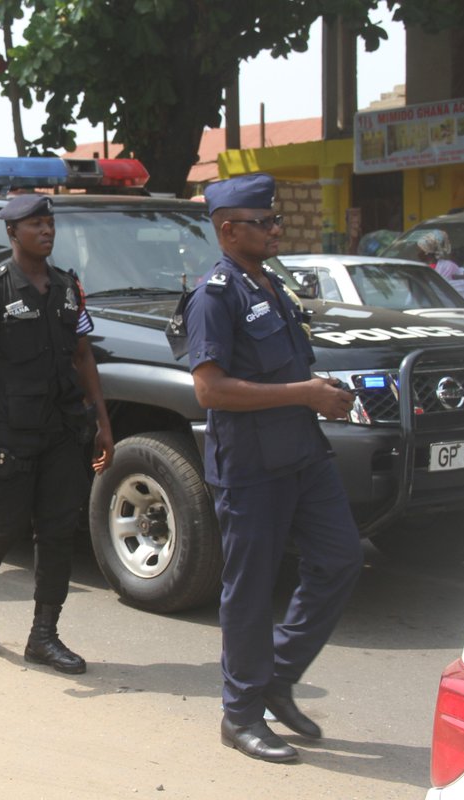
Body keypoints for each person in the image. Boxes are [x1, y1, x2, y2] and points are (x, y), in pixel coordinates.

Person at [179, 173, 362, 763]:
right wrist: (306, 393)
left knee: (340, 558)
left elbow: (286, 366)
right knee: (250, 592)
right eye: (265, 222)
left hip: (302, 454)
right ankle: (240, 716)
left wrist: (316, 389)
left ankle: (277, 679)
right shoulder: (215, 295)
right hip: (251, 465)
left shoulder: (269, 282)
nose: (277, 228)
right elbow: (210, 391)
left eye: (275, 218)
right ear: (229, 230)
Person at [0, 193, 114, 675]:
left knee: (59, 530)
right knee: (6, 525)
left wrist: (102, 421)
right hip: (11, 431)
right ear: (12, 233)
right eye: (35, 224)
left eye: (50, 222)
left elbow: (83, 356)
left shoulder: (67, 286)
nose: (47, 230)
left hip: (63, 429)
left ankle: (44, 635)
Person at [417, 228, 464, 305]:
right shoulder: (419, 268)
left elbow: (463, 283)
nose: (417, 253)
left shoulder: (448, 267)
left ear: (427, 252)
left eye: (420, 250)